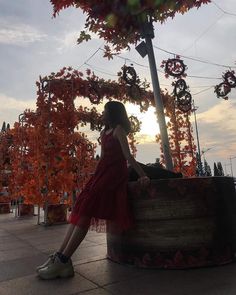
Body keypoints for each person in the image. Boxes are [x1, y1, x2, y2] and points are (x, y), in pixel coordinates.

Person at [36, 101, 150, 280]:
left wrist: (143, 175)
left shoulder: (119, 130)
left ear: (113, 113)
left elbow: (128, 157)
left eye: (105, 111)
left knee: (86, 209)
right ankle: (60, 256)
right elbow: (103, 158)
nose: (102, 114)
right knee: (82, 206)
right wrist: (93, 178)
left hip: (114, 174)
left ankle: (64, 260)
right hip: (103, 173)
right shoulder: (104, 132)